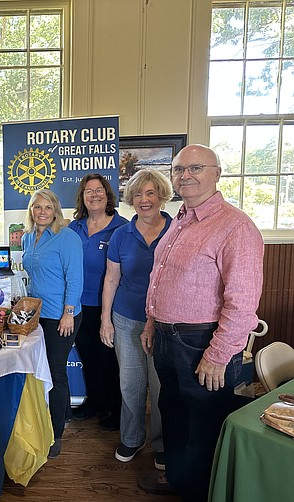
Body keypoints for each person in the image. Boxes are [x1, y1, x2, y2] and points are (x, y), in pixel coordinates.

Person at [137, 145, 264, 500]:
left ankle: (200, 492)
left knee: (203, 422)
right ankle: (178, 479)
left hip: (202, 342)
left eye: (195, 168)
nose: (185, 175)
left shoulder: (235, 227)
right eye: (179, 170)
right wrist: (151, 323)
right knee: (173, 412)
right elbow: (159, 279)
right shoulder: (181, 219)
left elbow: (241, 303)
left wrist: (218, 355)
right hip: (165, 336)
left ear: (217, 173)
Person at [99, 169, 172, 469]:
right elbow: (111, 279)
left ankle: (162, 443)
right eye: (139, 194)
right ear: (131, 200)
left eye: (151, 193)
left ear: (162, 196)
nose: (144, 200)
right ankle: (131, 437)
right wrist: (106, 319)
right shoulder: (120, 235)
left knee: (160, 387)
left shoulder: (177, 230)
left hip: (166, 322)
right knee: (130, 383)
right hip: (127, 318)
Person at [22, 188, 83, 458]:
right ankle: (63, 414)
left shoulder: (67, 238)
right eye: (38, 207)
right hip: (36, 314)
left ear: (56, 210)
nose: (43, 212)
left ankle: (56, 434)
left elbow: (75, 279)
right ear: (31, 211)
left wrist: (68, 312)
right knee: (40, 369)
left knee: (55, 373)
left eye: (48, 207)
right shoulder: (27, 238)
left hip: (61, 315)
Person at [69, 173, 127, 431]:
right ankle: (94, 402)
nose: (94, 194)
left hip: (109, 307)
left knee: (110, 359)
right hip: (79, 305)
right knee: (89, 357)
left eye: (99, 190)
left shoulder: (121, 227)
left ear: (107, 194)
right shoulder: (74, 228)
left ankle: (117, 409)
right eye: (88, 191)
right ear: (83, 197)